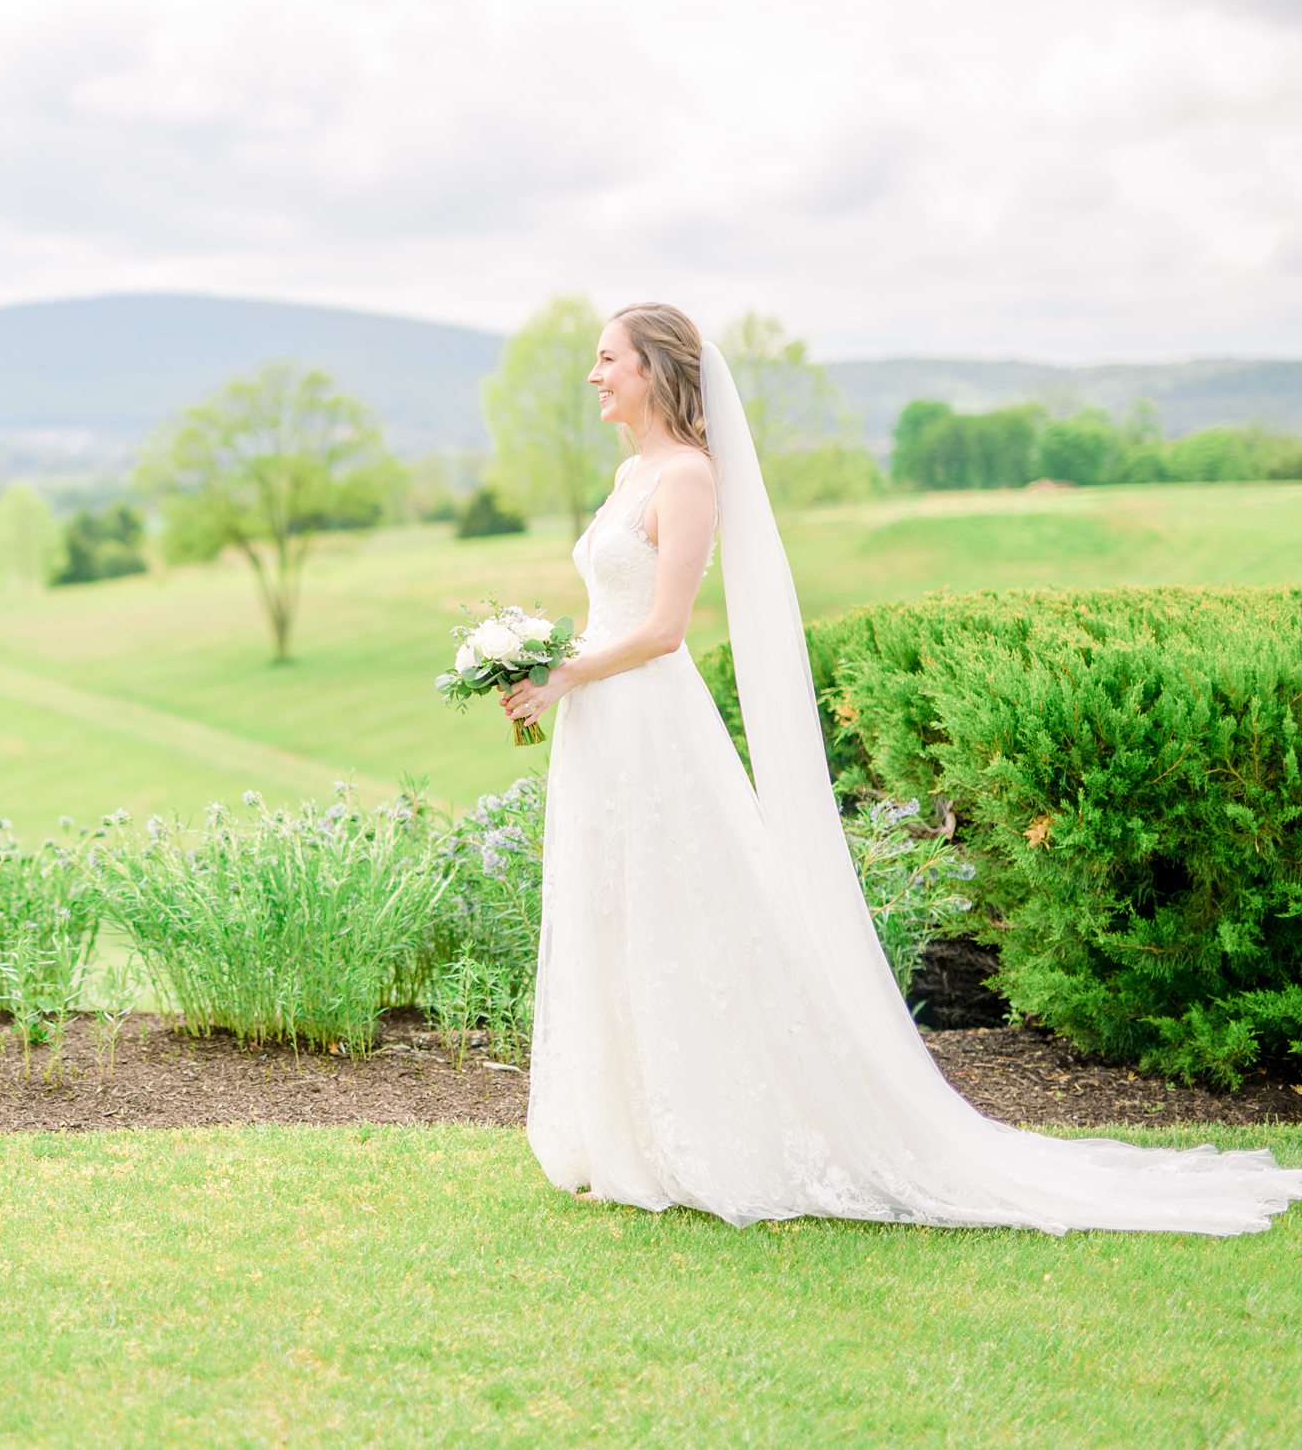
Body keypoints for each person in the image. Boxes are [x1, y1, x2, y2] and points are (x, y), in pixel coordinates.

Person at [498, 301, 1302, 1235]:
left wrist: (565, 673)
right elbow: (612, 607)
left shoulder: (685, 477)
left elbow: (665, 630)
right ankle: (626, 1133)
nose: (595, 376)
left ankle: (699, 1136)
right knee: (615, 905)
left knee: (678, 910)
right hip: (604, 724)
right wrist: (544, 660)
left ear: (656, 370)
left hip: (651, 723)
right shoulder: (630, 470)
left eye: (608, 360)